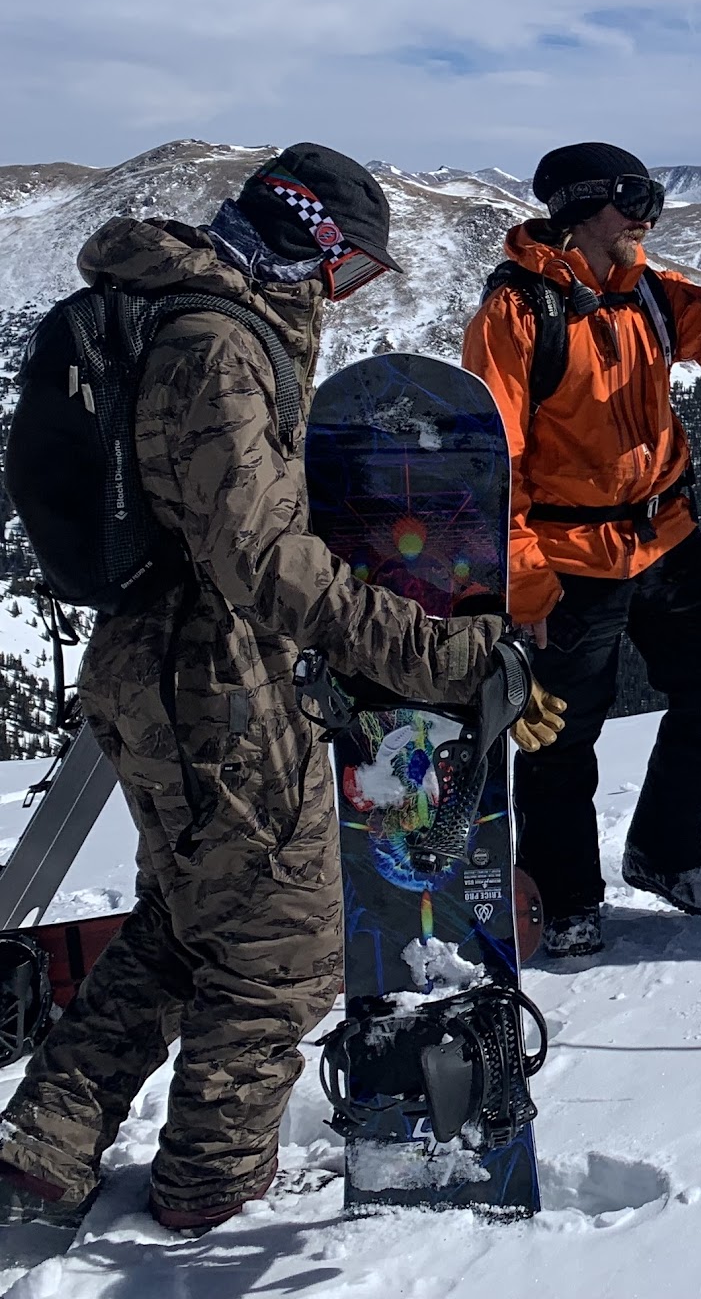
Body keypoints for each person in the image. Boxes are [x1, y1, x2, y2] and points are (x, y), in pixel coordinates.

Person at [0, 145, 559, 1238]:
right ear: (305, 238)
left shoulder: (179, 311)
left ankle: (50, 1140)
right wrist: (440, 654)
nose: (332, 297)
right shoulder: (213, 343)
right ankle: (209, 1181)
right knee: (287, 949)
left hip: (167, 670)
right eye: (342, 270)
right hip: (210, 683)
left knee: (188, 916)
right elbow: (260, 558)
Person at [461, 141, 701, 958]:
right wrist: (525, 590)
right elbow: (493, 464)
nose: (646, 214)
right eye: (631, 198)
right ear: (579, 207)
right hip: (568, 555)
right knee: (561, 737)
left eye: (652, 197)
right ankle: (565, 896)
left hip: (664, 533)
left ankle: (666, 851)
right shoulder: (518, 315)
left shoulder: (645, 288)